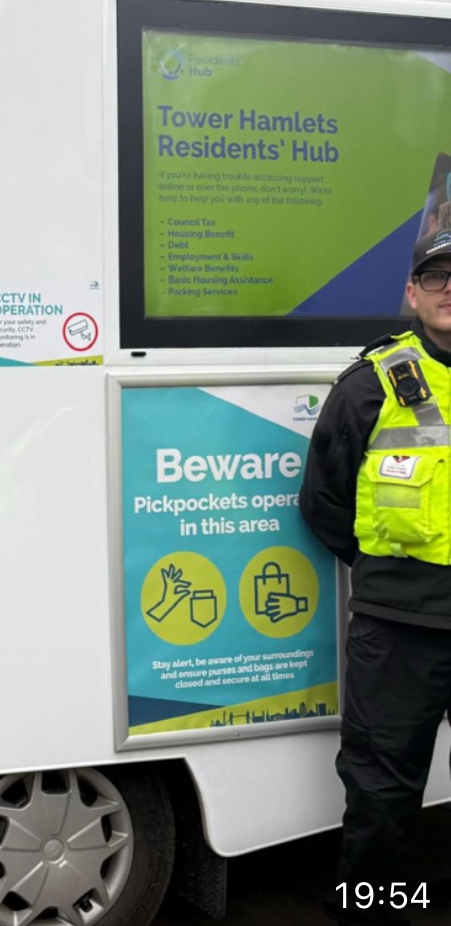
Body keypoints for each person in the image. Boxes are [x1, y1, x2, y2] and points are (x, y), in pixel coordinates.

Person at [301, 229, 451, 925]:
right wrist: (388, 573)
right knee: (383, 791)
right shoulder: (371, 385)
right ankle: (376, 912)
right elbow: (323, 500)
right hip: (399, 629)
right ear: (412, 293)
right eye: (438, 276)